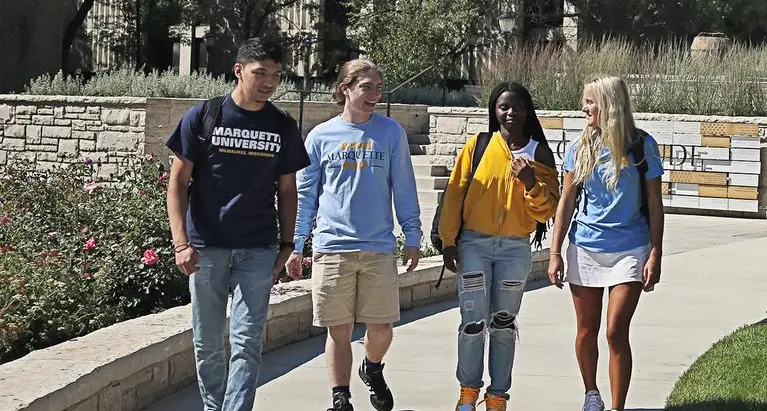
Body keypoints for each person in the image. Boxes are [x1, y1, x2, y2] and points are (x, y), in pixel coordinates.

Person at [165, 37, 310, 411]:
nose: (269, 82)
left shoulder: (281, 125)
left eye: (276, 75)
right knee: (208, 341)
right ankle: (216, 407)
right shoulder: (204, 116)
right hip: (205, 248)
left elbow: (288, 190)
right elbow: (178, 183)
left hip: (258, 249)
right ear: (239, 70)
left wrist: (288, 243)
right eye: (260, 73)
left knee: (247, 341)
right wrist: (181, 244)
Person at [289, 59, 423, 411]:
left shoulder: (390, 132)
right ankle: (341, 397)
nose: (375, 94)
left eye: (378, 88)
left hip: (378, 246)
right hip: (332, 247)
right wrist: (296, 243)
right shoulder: (320, 136)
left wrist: (412, 236)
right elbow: (307, 196)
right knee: (338, 330)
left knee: (381, 328)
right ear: (345, 88)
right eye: (367, 87)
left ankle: (372, 367)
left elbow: (404, 188)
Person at [439, 82, 560, 411]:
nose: (510, 112)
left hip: (514, 249)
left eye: (517, 106)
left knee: (503, 323)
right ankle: (468, 392)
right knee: (473, 322)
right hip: (474, 244)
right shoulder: (478, 146)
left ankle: (497, 396)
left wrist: (530, 183)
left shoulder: (539, 153)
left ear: (527, 111)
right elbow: (454, 194)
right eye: (503, 107)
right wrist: (449, 241)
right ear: (494, 111)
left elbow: (547, 209)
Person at [547, 76, 665, 411]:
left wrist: (655, 252)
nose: (584, 108)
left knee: (615, 331)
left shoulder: (643, 145)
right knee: (586, 330)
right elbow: (566, 201)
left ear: (609, 104)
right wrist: (555, 253)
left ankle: (617, 407)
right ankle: (591, 393)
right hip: (584, 247)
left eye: (590, 101)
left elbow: (655, 205)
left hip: (631, 248)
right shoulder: (580, 147)